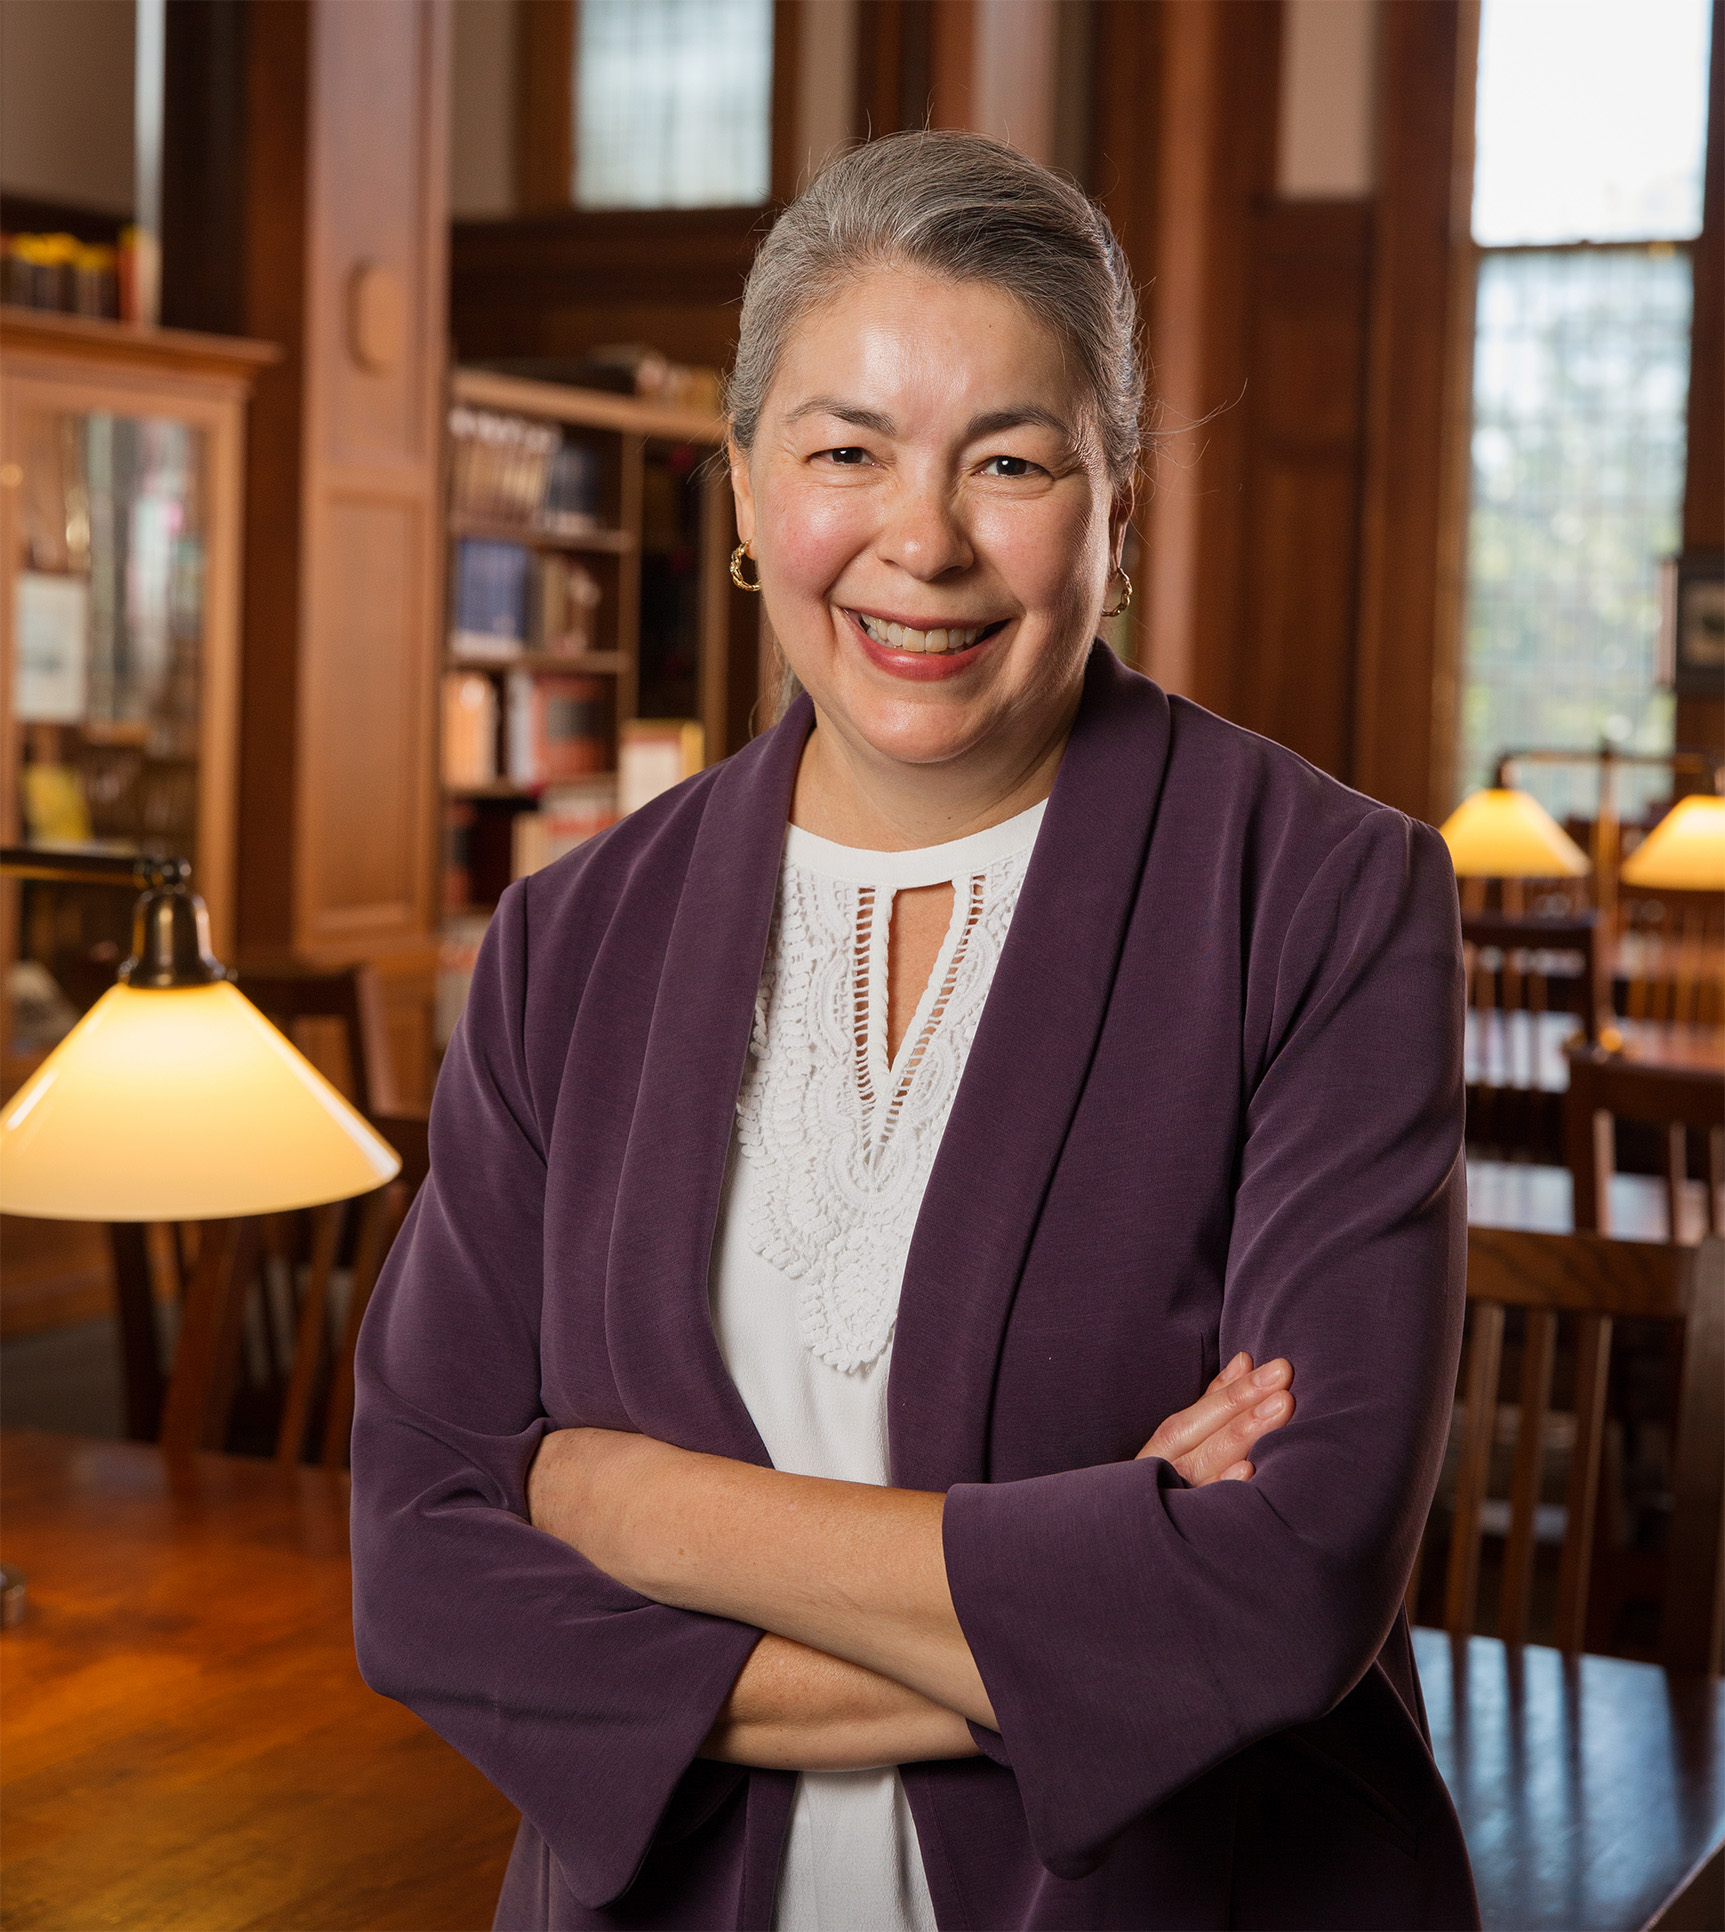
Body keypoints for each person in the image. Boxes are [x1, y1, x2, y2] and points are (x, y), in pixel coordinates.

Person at [350, 130, 1476, 1932]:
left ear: (1117, 511)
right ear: (741, 492)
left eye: (1011, 460)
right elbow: (419, 1571)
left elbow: (1289, 1588)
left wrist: (629, 1507)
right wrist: (1103, 1577)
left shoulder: (1324, 898)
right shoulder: (571, 935)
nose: (922, 540)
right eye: (844, 451)